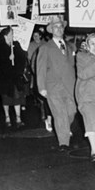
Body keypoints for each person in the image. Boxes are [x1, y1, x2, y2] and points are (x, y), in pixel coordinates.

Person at [35, 15, 77, 151]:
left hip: (70, 86)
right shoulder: (45, 48)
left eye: (60, 26)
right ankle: (64, 142)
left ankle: (64, 128)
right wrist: (41, 87)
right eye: (56, 27)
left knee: (71, 111)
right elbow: (40, 68)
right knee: (60, 114)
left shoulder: (71, 47)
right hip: (53, 87)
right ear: (51, 30)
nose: (59, 29)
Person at [0, 27, 28, 128]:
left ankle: (18, 118)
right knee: (6, 99)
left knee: (17, 97)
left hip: (14, 77)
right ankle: (7, 117)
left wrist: (16, 58)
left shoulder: (15, 45)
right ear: (5, 36)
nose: (13, 36)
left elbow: (22, 58)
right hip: (4, 78)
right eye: (11, 34)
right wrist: (8, 59)